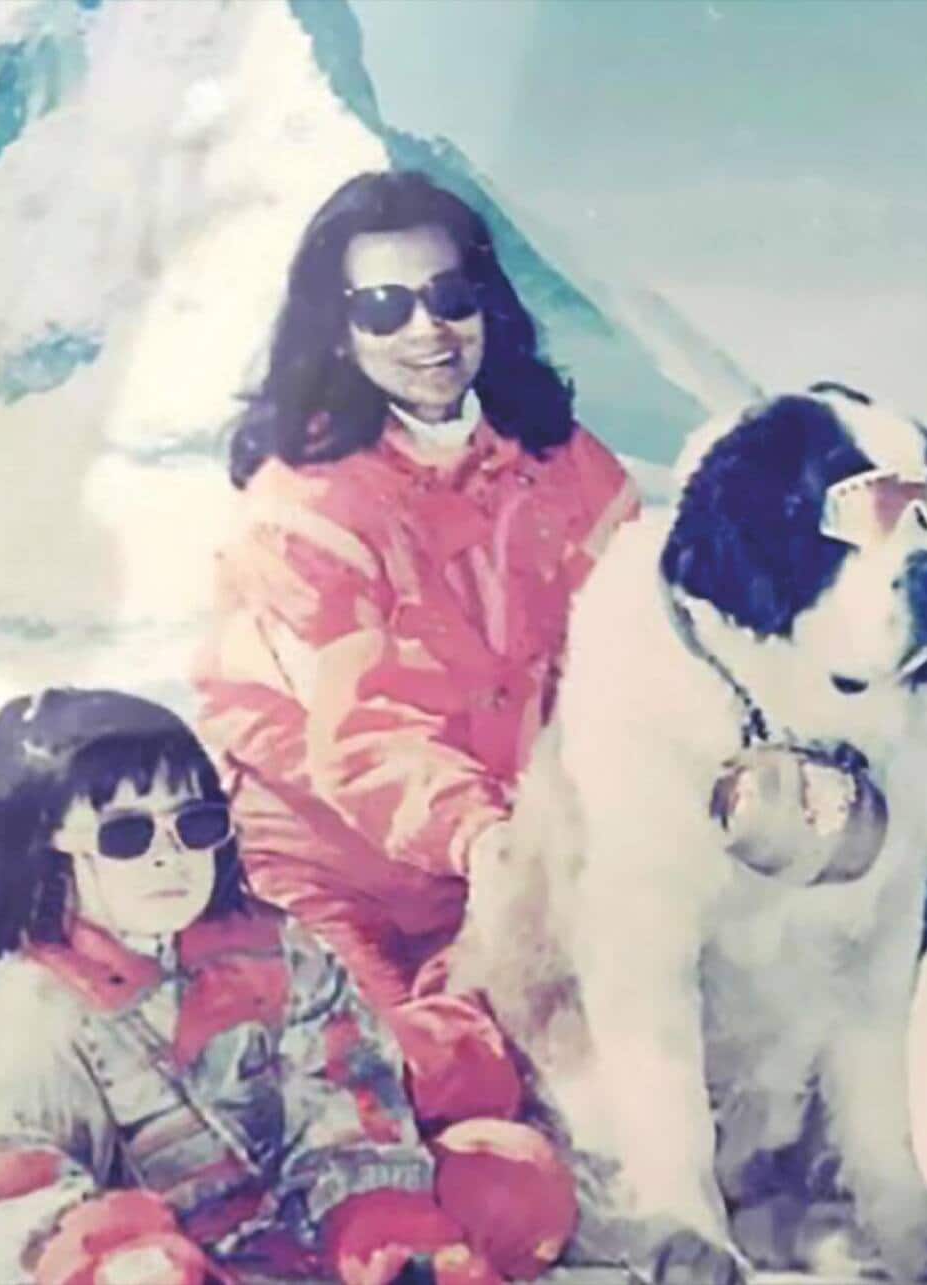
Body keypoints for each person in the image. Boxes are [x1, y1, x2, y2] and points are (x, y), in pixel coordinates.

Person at [193, 169, 636, 1230]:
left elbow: (636, 657)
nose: (427, 330)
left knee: (521, 1141)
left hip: (486, 877)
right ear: (338, 332)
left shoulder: (570, 470)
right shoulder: (305, 505)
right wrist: (493, 842)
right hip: (321, 877)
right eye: (384, 307)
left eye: (449, 296)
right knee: (386, 1098)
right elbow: (360, 730)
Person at [0, 688, 552, 1285]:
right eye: (127, 835)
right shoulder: (41, 1008)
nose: (169, 856)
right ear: (48, 848)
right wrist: (112, 1257)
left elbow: (345, 1097)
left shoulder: (274, 947)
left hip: (309, 1237)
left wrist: (377, 1229)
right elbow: (4, 1193)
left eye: (194, 824)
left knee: (511, 1182)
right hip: (182, 1262)